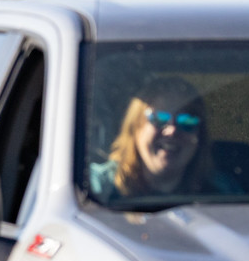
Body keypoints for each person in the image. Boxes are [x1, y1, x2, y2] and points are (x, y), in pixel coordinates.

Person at [90, 76, 237, 204]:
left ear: (200, 137)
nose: (172, 130)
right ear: (134, 128)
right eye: (159, 118)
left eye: (187, 121)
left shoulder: (224, 194)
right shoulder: (95, 189)